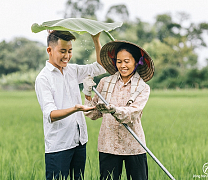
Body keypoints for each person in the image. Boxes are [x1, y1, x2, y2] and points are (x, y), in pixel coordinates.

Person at [35, 30, 106, 180]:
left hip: (79, 140)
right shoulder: (43, 79)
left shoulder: (72, 70)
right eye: (62, 51)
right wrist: (76, 108)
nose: (67, 56)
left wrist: (96, 40)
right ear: (49, 50)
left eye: (69, 51)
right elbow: (51, 115)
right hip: (59, 145)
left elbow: (100, 67)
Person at [83, 40, 154, 180]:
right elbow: (93, 113)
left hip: (134, 145)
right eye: (119, 61)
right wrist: (87, 93)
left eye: (127, 61)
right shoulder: (105, 82)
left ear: (136, 62)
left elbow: (133, 113)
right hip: (108, 145)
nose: (122, 65)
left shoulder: (143, 87)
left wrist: (114, 110)